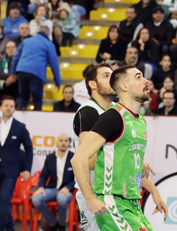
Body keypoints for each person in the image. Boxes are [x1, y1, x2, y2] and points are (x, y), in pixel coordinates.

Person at [71, 66, 168, 231]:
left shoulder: (138, 120)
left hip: (131, 202)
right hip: (107, 200)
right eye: (138, 77)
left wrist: (155, 192)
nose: (146, 81)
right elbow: (80, 159)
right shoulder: (100, 114)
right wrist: (90, 198)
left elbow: (127, 165)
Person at [72, 63, 115, 231]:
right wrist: (121, 156)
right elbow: (88, 160)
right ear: (93, 84)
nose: (112, 79)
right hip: (93, 192)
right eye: (106, 76)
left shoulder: (114, 111)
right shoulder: (89, 112)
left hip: (111, 190)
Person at [0, 97, 33, 231]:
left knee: (5, 198)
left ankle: (0, 227)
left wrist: (27, 168)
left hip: (11, 169)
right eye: (6, 105)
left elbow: (29, 148)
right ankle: (10, 227)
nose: (9, 108)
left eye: (11, 106)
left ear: (14, 109)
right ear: (1, 107)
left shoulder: (20, 127)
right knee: (0, 199)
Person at [11, 26, 61, 110]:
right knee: (37, 98)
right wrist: (57, 81)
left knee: (23, 95)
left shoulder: (26, 41)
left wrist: (13, 73)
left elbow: (15, 57)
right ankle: (37, 118)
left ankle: (19, 113)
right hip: (37, 73)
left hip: (22, 70)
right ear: (48, 34)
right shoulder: (49, 44)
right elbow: (54, 64)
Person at [31, 133, 74, 231]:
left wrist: (68, 187)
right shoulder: (50, 157)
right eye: (61, 140)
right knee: (36, 199)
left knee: (62, 199)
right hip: (52, 189)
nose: (63, 143)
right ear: (57, 142)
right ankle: (53, 223)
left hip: (67, 190)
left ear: (69, 143)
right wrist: (41, 187)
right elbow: (43, 175)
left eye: (66, 141)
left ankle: (62, 225)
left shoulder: (73, 158)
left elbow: (77, 178)